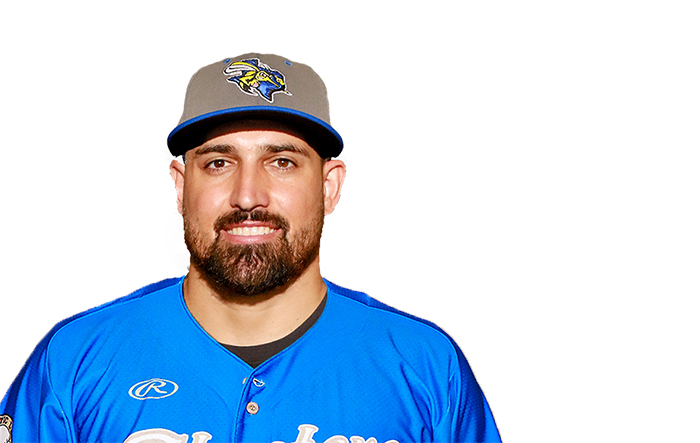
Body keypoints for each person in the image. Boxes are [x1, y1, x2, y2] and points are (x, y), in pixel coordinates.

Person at [1, 53, 501, 443]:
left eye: (282, 162)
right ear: (181, 185)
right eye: (218, 163)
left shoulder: (423, 365)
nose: (247, 196)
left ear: (329, 186)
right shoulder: (75, 360)